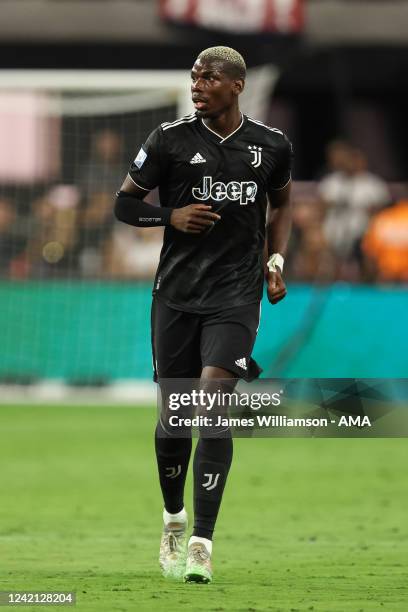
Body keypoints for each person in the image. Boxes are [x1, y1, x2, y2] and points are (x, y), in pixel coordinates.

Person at [114, 46, 293, 583]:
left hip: (236, 296)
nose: (197, 84)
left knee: (212, 402)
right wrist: (172, 215)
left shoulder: (271, 146)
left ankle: (201, 542)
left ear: (236, 85)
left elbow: (281, 205)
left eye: (209, 77)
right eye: (194, 76)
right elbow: (125, 205)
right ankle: (173, 519)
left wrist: (276, 261)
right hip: (175, 295)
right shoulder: (167, 140)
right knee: (175, 414)